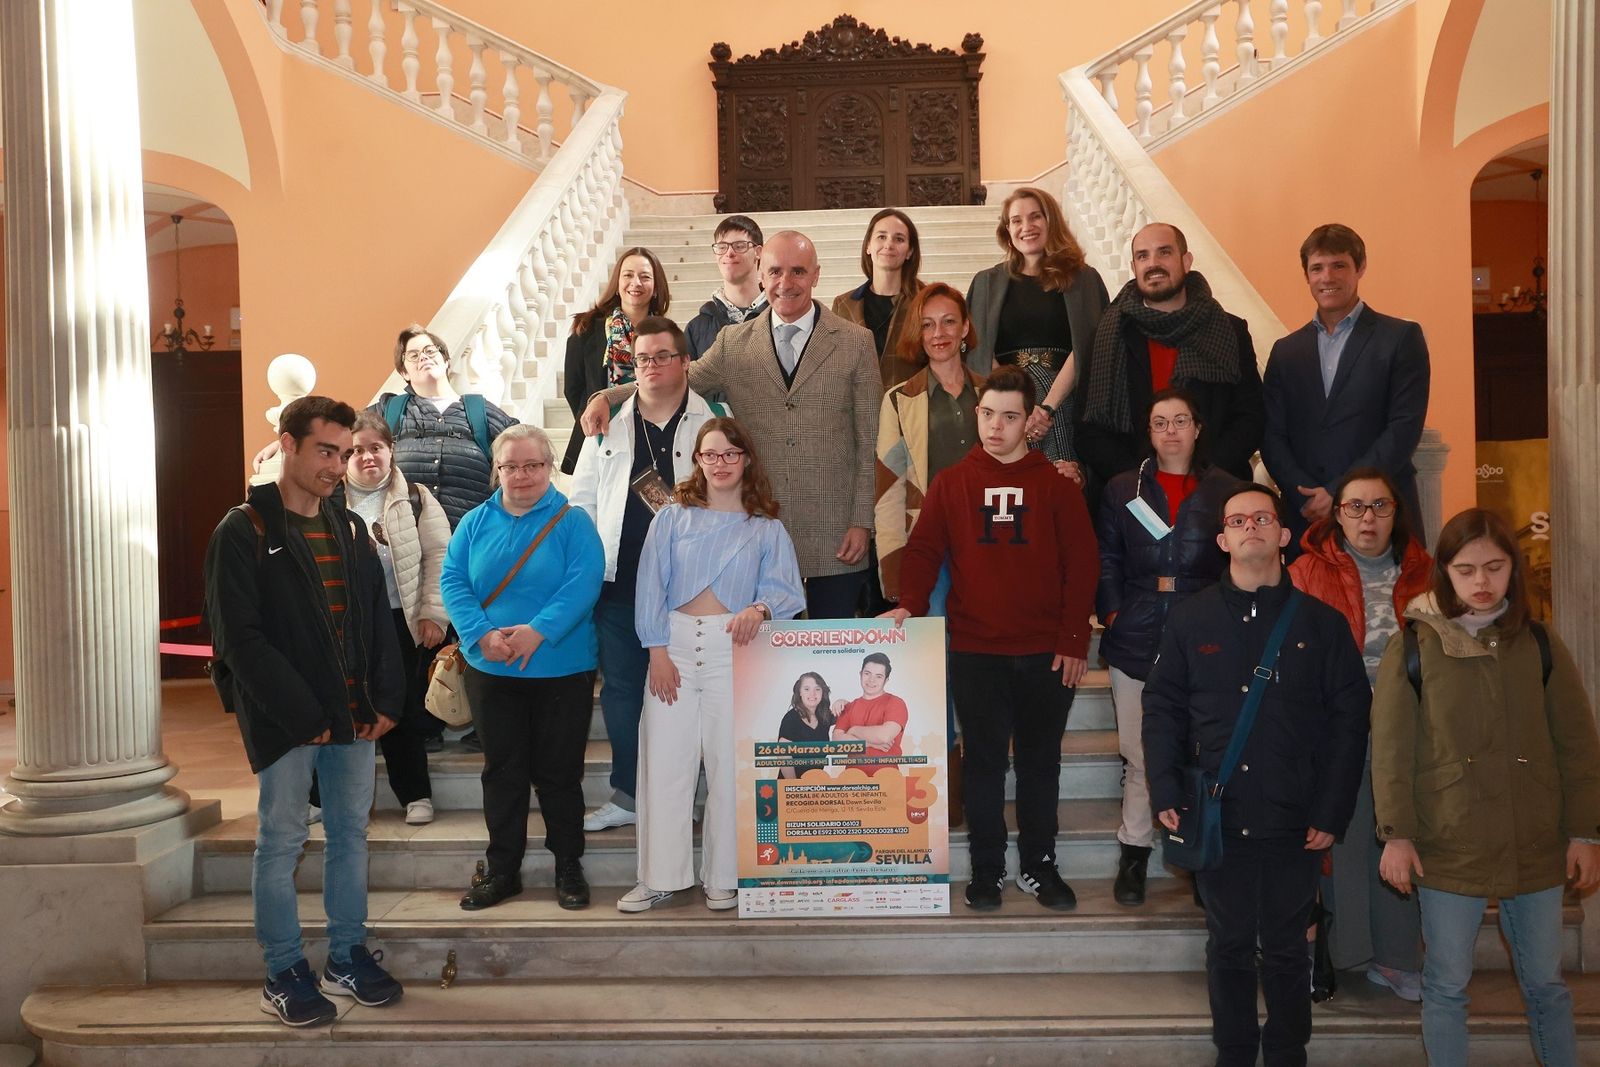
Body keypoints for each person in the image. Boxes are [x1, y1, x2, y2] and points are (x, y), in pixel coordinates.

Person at [1143, 482, 1370, 1067]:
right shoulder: (1190, 620)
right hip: (1218, 815)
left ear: (1284, 534)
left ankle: (1289, 1053)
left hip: (1297, 817)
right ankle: (1236, 1053)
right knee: (1229, 946)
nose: (1250, 527)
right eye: (1238, 520)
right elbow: (1163, 708)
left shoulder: (1323, 625)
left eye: (1262, 518)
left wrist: (1332, 809)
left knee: (1290, 949)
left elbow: (1349, 724)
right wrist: (1165, 788)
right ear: (1222, 540)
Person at [203, 395, 405, 1027]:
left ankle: (346, 955)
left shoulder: (350, 529)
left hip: (353, 717)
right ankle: (283, 970)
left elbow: (376, 621)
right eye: (325, 451)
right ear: (287, 445)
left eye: (344, 454)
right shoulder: (243, 530)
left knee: (349, 835)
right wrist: (302, 714)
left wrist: (386, 699)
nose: (337, 467)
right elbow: (239, 639)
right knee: (281, 841)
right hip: (286, 720)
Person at [1373, 508, 1600, 1066]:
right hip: (1449, 841)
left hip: (1535, 840)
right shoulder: (1415, 644)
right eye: (1466, 569)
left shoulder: (1540, 642)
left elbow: (1577, 744)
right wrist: (1397, 835)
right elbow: (1392, 751)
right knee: (1446, 985)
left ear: (1512, 570)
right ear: (1445, 571)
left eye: (1495, 568)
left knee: (1547, 985)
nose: (1481, 582)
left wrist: (1584, 833)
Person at [580, 230, 881, 621]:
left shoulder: (856, 342)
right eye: (775, 271)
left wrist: (862, 521)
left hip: (836, 531)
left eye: (798, 271)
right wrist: (608, 397)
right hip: (757, 526)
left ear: (816, 274)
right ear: (761, 274)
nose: (785, 282)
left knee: (832, 649)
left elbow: (869, 442)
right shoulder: (733, 342)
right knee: (764, 653)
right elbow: (675, 377)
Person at [884, 367, 1099, 913]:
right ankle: (987, 868)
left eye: (1009, 416)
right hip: (976, 651)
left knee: (1039, 764)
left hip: (1047, 652)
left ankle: (1038, 864)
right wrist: (910, 602)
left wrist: (1075, 638)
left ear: (1030, 422)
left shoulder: (1056, 486)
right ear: (976, 414)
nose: (995, 427)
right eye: (987, 414)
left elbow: (1082, 564)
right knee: (982, 763)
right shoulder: (951, 483)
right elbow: (924, 550)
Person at [620, 417, 805, 912]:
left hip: (734, 653)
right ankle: (659, 877)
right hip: (674, 648)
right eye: (710, 454)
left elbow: (786, 592)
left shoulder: (766, 528)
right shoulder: (672, 519)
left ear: (746, 459)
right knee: (665, 766)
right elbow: (650, 588)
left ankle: (724, 876)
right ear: (697, 460)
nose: (720, 463)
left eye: (729, 454)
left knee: (728, 768)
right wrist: (657, 650)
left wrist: (759, 609)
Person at [569, 316, 726, 833]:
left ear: (685, 362)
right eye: (642, 359)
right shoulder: (606, 425)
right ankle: (630, 793)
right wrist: (589, 570)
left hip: (690, 589)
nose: (652, 366)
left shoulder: (713, 421)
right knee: (622, 690)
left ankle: (686, 794)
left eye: (663, 356)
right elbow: (584, 503)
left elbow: (730, 499)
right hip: (620, 583)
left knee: (687, 692)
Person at [440, 425, 605, 911]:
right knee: (503, 773)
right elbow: (452, 580)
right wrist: (481, 634)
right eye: (511, 466)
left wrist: (538, 631)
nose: (522, 475)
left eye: (532, 465)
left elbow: (584, 582)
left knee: (559, 774)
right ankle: (503, 871)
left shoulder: (573, 522)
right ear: (497, 470)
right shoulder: (474, 522)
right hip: (492, 669)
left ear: (549, 467)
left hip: (562, 668)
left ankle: (568, 866)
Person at [1288, 467, 1431, 999]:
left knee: (1400, 837)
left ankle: (1396, 957)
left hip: (1410, 730)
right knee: (1343, 843)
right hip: (1335, 730)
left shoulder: (1426, 573)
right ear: (1337, 514)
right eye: (1355, 506)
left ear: (1396, 512)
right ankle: (1346, 951)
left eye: (1380, 506)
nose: (1368, 518)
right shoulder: (1304, 572)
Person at [1094, 387, 1234, 907]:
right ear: (1148, 432)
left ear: (1197, 428)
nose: (1171, 430)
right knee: (1140, 753)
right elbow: (1106, 557)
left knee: (1199, 752)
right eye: (1160, 422)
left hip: (1205, 636)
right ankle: (1134, 853)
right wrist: (1114, 613)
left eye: (1180, 420)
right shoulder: (1122, 489)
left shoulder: (1226, 490)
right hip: (1135, 633)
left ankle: (1197, 856)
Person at [1261, 223, 1431, 554]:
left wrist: (1340, 494)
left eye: (1339, 265)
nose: (1327, 277)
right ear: (1306, 275)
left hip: (1381, 515)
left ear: (1360, 267)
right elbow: (1271, 434)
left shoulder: (1400, 339)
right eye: (1317, 268)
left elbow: (1403, 429)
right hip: (1307, 520)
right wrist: (1304, 494)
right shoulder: (1286, 351)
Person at [252, 325, 518, 530]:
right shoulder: (390, 409)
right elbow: (336, 428)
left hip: (474, 541)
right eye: (413, 355)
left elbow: (525, 446)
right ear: (404, 372)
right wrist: (291, 440)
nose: (423, 357)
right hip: (408, 546)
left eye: (430, 350)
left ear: (446, 360)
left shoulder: (479, 411)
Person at [1077, 223, 1264, 493]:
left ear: (1186, 261)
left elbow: (1250, 416)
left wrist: (1202, 476)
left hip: (1216, 491)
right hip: (1132, 494)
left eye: (1164, 252)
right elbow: (1088, 428)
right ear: (1134, 267)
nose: (1153, 263)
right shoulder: (1108, 335)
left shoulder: (1229, 331)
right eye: (1143, 256)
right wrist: (1141, 481)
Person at [338, 411, 451, 826]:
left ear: (391, 450)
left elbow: (441, 557)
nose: (367, 457)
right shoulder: (328, 499)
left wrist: (432, 613)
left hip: (401, 621)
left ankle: (415, 795)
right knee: (342, 708)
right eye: (357, 450)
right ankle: (325, 798)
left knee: (401, 709)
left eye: (376, 448)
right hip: (345, 626)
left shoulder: (416, 497)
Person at [965, 186, 1108, 468]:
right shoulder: (986, 282)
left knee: (1059, 479)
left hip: (1064, 402)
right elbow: (977, 349)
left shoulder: (1083, 279)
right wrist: (1018, 403)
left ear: (1050, 220)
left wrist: (1045, 408)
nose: (1026, 227)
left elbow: (1088, 345)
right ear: (1007, 229)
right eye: (1016, 220)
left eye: (1035, 217)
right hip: (1007, 404)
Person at [561, 246, 672, 474]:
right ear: (617, 283)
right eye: (628, 275)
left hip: (652, 438)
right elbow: (573, 388)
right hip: (600, 437)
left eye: (645, 277)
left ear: (656, 287)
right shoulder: (587, 328)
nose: (635, 283)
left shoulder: (667, 334)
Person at [832, 207, 927, 387]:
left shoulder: (925, 301)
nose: (889, 245)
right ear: (868, 246)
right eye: (881, 236)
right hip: (859, 402)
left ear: (909, 251)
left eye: (899, 239)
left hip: (911, 401)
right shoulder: (843, 304)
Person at [686, 215, 766, 359]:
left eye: (739, 246)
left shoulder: (779, 315)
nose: (729, 253)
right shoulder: (697, 327)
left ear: (758, 252)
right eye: (722, 247)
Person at [830, 652, 910, 768]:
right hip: (853, 775)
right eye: (867, 674)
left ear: (886, 680)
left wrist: (853, 730)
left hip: (886, 775)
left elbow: (884, 736)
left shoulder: (896, 703)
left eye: (878, 676)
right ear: (860, 674)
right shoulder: (849, 707)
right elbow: (837, 740)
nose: (871, 680)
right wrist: (869, 744)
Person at [777, 671, 834, 779]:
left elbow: (849, 716)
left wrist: (842, 702)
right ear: (799, 692)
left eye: (817, 689)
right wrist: (794, 786)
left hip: (814, 783)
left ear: (823, 692)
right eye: (807, 689)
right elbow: (784, 756)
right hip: (791, 784)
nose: (812, 694)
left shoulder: (825, 717)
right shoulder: (791, 719)